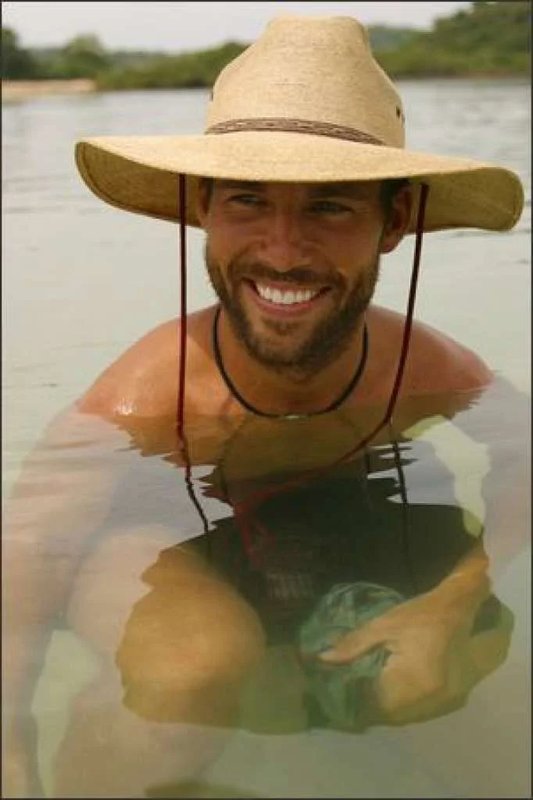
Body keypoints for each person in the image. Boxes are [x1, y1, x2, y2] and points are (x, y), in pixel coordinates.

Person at [3, 14, 528, 798]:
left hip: (363, 520)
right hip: (171, 536)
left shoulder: (427, 370)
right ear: (202, 208)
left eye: (330, 206)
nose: (282, 250)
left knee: (466, 689)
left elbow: (525, 460)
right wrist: (10, 737)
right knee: (192, 666)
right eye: (247, 200)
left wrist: (455, 601)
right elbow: (31, 547)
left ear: (394, 222)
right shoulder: (146, 397)